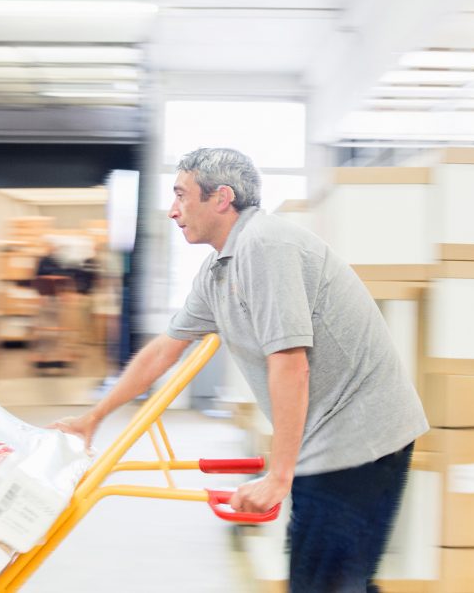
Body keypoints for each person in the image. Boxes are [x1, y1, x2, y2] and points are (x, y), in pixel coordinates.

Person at [53, 147, 429, 593]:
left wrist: (279, 476)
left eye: (181, 196)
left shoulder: (266, 247)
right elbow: (163, 352)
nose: (172, 211)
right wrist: (93, 418)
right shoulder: (218, 268)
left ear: (221, 198)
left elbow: (290, 365)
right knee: (333, 579)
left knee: (325, 583)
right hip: (328, 440)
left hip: (359, 439)